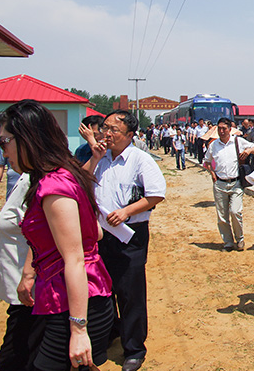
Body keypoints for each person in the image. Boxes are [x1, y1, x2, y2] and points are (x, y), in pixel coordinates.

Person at [0, 99, 113, 371]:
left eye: (4, 142)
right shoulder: (65, 174)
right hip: (71, 299)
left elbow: (74, 258)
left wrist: (78, 329)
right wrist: (31, 272)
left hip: (75, 306)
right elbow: (93, 234)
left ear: (27, 139)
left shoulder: (53, 186)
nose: (3, 152)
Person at [85, 110, 166, 371]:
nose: (106, 134)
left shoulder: (140, 160)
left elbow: (155, 195)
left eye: (113, 130)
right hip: (100, 235)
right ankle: (111, 332)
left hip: (130, 235)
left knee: (130, 292)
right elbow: (81, 183)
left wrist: (126, 212)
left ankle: (133, 349)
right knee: (102, 289)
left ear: (130, 135)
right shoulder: (101, 157)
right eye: (105, 128)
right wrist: (95, 157)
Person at [0, 171, 46, 371]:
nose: (4, 152)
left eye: (6, 141)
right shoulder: (26, 176)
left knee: (15, 357)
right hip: (21, 287)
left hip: (30, 290)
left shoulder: (38, 180)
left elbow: (43, 230)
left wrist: (28, 274)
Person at [203, 118, 254, 252]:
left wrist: (248, 151)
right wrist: (212, 173)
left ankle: (240, 239)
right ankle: (228, 242)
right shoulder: (213, 145)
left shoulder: (237, 141)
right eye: (219, 128)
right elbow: (207, 161)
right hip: (220, 184)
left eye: (224, 128)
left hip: (236, 184)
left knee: (235, 211)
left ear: (229, 129)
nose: (221, 131)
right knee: (222, 215)